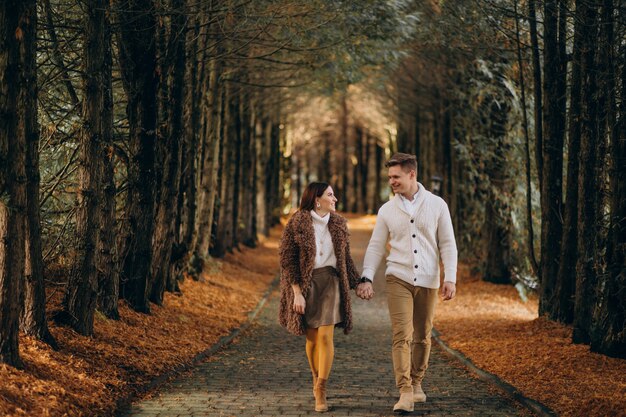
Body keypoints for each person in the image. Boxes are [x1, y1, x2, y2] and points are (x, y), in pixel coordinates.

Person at [357, 153, 458, 413]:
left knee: (423, 336)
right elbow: (377, 246)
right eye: (389, 177)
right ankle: (404, 391)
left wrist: (450, 278)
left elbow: (447, 243)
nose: (392, 181)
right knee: (402, 335)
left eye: (396, 176)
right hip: (397, 277)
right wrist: (367, 276)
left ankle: (416, 383)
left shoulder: (437, 205)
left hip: (428, 279)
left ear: (411, 174)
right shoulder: (387, 210)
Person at [278, 182, 361, 413]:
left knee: (326, 336)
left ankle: (321, 389)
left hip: (332, 282)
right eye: (330, 195)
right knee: (312, 339)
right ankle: (315, 380)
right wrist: (297, 293)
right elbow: (287, 260)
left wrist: (360, 283)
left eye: (334, 195)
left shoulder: (339, 224)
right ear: (317, 199)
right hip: (306, 284)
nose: (335, 199)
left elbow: (346, 260)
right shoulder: (297, 223)